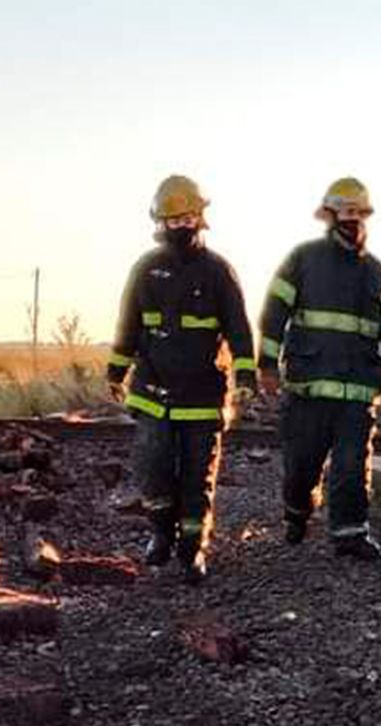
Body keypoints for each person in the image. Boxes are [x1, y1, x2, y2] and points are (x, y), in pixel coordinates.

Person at [107, 175, 256, 585]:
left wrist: (245, 373)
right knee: (153, 465)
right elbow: (128, 324)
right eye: (173, 219)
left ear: (201, 218)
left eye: (188, 216)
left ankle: (192, 551)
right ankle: (159, 533)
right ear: (160, 222)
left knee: (196, 475)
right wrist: (116, 370)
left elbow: (240, 329)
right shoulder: (146, 269)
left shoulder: (218, 272)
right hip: (153, 389)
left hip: (202, 393)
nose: (182, 225)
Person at [256, 177, 381, 560]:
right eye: (346, 212)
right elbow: (274, 313)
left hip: (357, 395)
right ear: (329, 215)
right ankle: (297, 514)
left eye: (359, 213)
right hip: (307, 391)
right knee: (300, 468)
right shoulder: (303, 260)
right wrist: (267, 366)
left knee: (350, 467)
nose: (353, 220)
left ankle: (350, 534)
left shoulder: (378, 273)